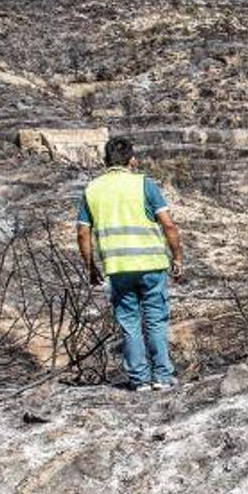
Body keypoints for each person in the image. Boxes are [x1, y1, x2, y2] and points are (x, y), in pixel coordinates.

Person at [77, 136, 183, 391]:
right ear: (132, 160)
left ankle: (139, 379)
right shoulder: (144, 184)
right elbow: (168, 224)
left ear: (105, 161)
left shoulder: (92, 189)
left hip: (118, 267)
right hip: (151, 263)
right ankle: (163, 377)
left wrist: (91, 267)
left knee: (129, 323)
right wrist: (177, 257)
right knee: (156, 320)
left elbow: (82, 233)